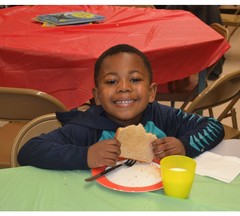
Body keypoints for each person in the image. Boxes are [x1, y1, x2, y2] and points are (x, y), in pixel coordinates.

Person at [18, 44, 225, 170]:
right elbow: (29, 151)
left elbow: (215, 127)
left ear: (152, 92)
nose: (124, 88)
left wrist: (183, 146)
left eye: (135, 79)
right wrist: (85, 155)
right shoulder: (87, 128)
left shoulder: (162, 116)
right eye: (111, 82)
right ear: (97, 97)